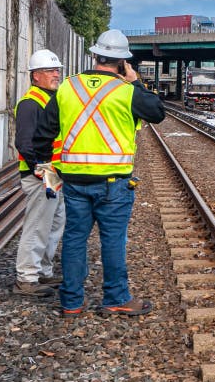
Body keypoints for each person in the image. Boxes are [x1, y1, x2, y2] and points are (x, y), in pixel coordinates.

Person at [34, 29, 167, 317]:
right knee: (113, 241)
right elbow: (158, 112)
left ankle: (71, 302)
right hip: (113, 184)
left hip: (73, 182)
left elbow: (42, 136)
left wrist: (47, 172)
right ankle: (116, 298)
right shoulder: (127, 91)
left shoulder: (67, 88)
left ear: (94, 55)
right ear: (123, 62)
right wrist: (135, 81)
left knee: (73, 239)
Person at [12, 49, 67, 297]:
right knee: (36, 226)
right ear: (36, 76)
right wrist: (40, 169)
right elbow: (24, 142)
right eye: (50, 71)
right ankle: (27, 278)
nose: (56, 75)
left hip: (51, 174)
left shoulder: (48, 100)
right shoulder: (30, 104)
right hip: (40, 174)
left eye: (57, 70)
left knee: (54, 223)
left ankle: (43, 271)